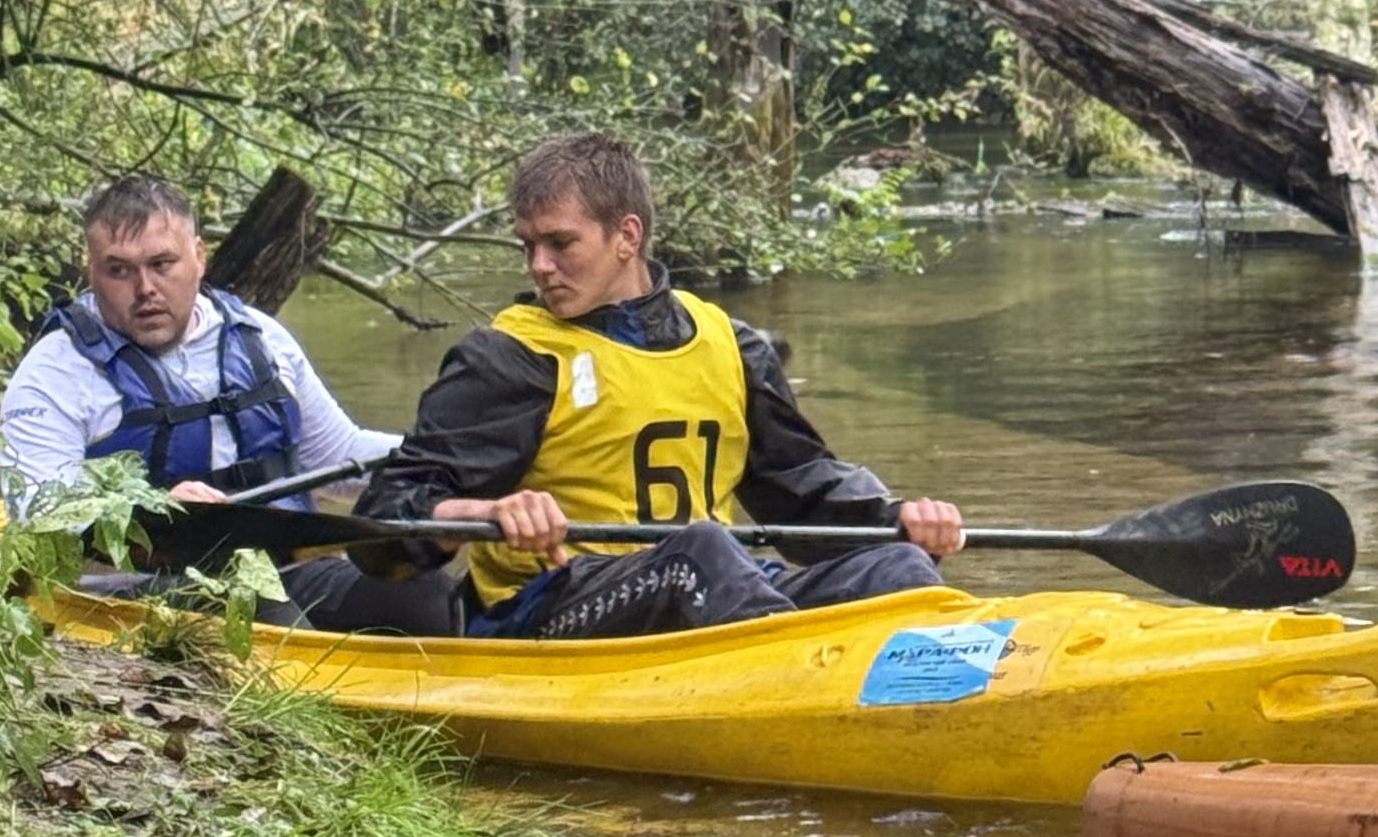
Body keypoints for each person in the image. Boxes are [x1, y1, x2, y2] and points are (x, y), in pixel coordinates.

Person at [364, 129, 966, 639]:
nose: (539, 267)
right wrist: (485, 510)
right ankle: (789, 682)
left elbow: (801, 491)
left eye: (559, 243)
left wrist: (899, 519)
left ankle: (936, 700)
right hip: (545, 612)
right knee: (700, 552)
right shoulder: (510, 358)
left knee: (896, 569)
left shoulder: (732, 345)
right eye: (530, 245)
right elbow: (384, 521)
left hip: (709, 596)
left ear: (627, 236)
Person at [0, 172, 461, 635]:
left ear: (199, 257)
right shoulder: (53, 374)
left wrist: (453, 470)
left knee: (425, 595)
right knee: (261, 606)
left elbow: (340, 455)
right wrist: (145, 509)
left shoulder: (261, 339)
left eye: (162, 264)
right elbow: (37, 515)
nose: (145, 289)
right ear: (92, 273)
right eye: (119, 270)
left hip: (283, 567)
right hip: (138, 589)